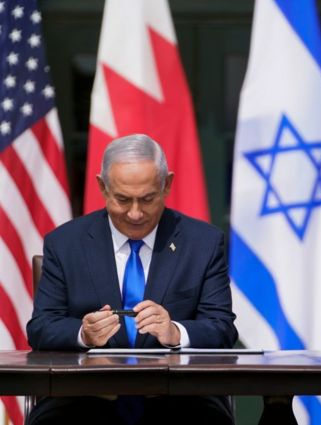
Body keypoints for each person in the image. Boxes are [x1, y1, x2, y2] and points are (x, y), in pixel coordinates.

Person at [27, 134, 238, 425]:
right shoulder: (65, 244)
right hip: (85, 397)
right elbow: (41, 327)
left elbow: (222, 329)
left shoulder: (202, 243)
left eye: (148, 199)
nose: (136, 213)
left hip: (179, 398)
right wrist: (83, 334)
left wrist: (176, 333)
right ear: (103, 187)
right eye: (123, 200)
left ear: (167, 185)